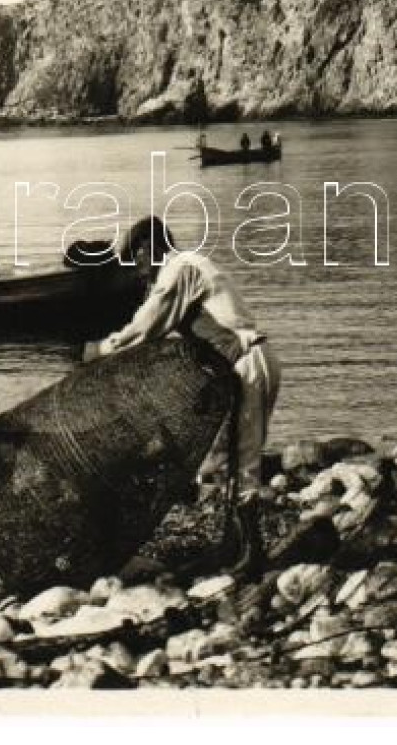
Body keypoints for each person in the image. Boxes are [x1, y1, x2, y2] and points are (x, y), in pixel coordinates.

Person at [91, 216, 280, 577]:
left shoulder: (180, 270)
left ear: (151, 246)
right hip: (246, 361)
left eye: (137, 258)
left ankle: (252, 554)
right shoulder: (190, 266)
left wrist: (101, 349)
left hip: (246, 363)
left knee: (240, 459)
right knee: (225, 457)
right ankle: (231, 544)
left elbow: (146, 327)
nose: (136, 270)